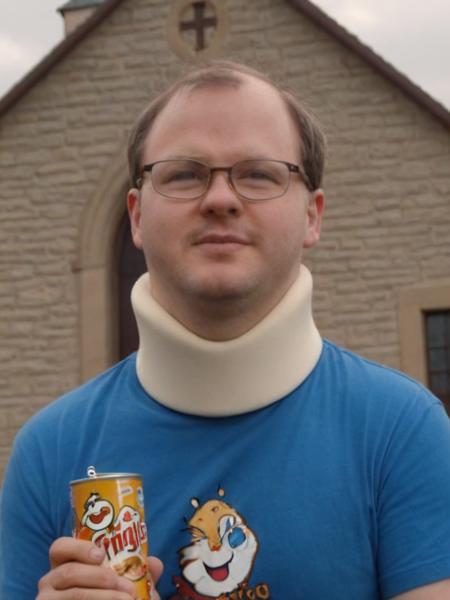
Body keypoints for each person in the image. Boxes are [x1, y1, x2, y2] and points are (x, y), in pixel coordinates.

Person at [1, 60, 450, 600]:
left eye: (260, 173)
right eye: (184, 174)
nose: (220, 198)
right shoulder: (49, 451)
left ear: (313, 215)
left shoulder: (403, 432)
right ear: (137, 216)